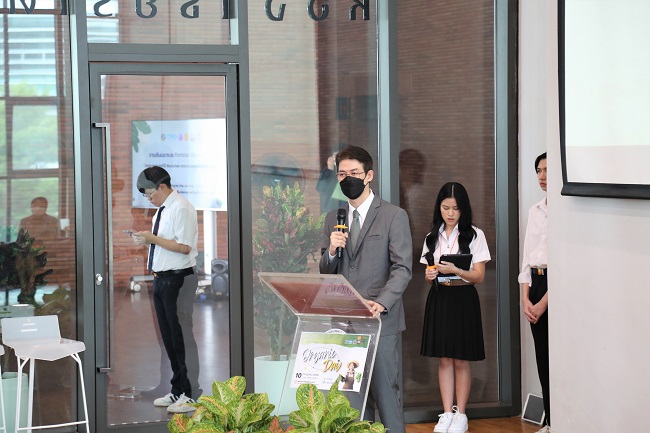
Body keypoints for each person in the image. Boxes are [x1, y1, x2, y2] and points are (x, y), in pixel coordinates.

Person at [319, 145, 412, 433]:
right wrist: (332, 251)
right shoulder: (333, 218)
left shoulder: (393, 215)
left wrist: (381, 303)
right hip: (345, 322)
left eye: (354, 173)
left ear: (369, 175)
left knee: (386, 395)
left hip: (379, 320)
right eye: (341, 174)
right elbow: (326, 270)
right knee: (351, 398)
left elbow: (402, 268)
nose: (347, 179)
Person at [420, 182, 491, 433]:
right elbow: (428, 272)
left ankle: (461, 414)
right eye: (445, 207)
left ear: (464, 209)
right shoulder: (431, 237)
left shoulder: (475, 235)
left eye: (456, 208)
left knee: (461, 359)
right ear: (439, 207)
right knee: (444, 358)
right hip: (440, 297)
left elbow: (479, 276)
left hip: (463, 298)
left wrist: (456, 270)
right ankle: (446, 413)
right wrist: (429, 275)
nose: (450, 213)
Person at [132, 166, 200, 414]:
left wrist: (152, 239)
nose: (149, 199)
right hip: (162, 279)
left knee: (182, 338)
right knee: (169, 339)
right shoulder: (162, 210)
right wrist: (146, 240)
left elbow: (184, 247)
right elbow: (165, 245)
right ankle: (177, 390)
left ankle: (191, 393)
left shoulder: (182, 208)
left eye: (150, 194)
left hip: (179, 279)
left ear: (162, 186)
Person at [518, 152, 550, 433]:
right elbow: (527, 259)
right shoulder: (535, 210)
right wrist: (525, 298)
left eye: (547, 170)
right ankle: (551, 422)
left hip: (556, 286)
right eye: (538, 170)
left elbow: (566, 264)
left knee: (559, 357)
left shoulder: (568, 214)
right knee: (543, 357)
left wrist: (543, 303)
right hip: (535, 284)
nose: (541, 176)